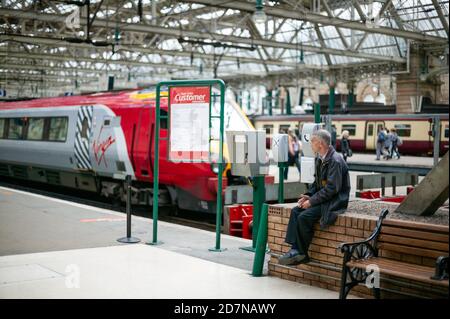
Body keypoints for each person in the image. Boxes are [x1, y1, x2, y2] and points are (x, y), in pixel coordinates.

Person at [278, 129, 351, 265]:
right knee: (295, 211)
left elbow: (331, 189)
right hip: (324, 199)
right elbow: (317, 183)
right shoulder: (320, 158)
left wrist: (311, 202)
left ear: (320, 144)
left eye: (312, 141)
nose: (310, 144)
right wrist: (308, 196)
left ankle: (301, 252)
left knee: (304, 217)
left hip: (334, 201)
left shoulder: (335, 161)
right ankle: (295, 249)